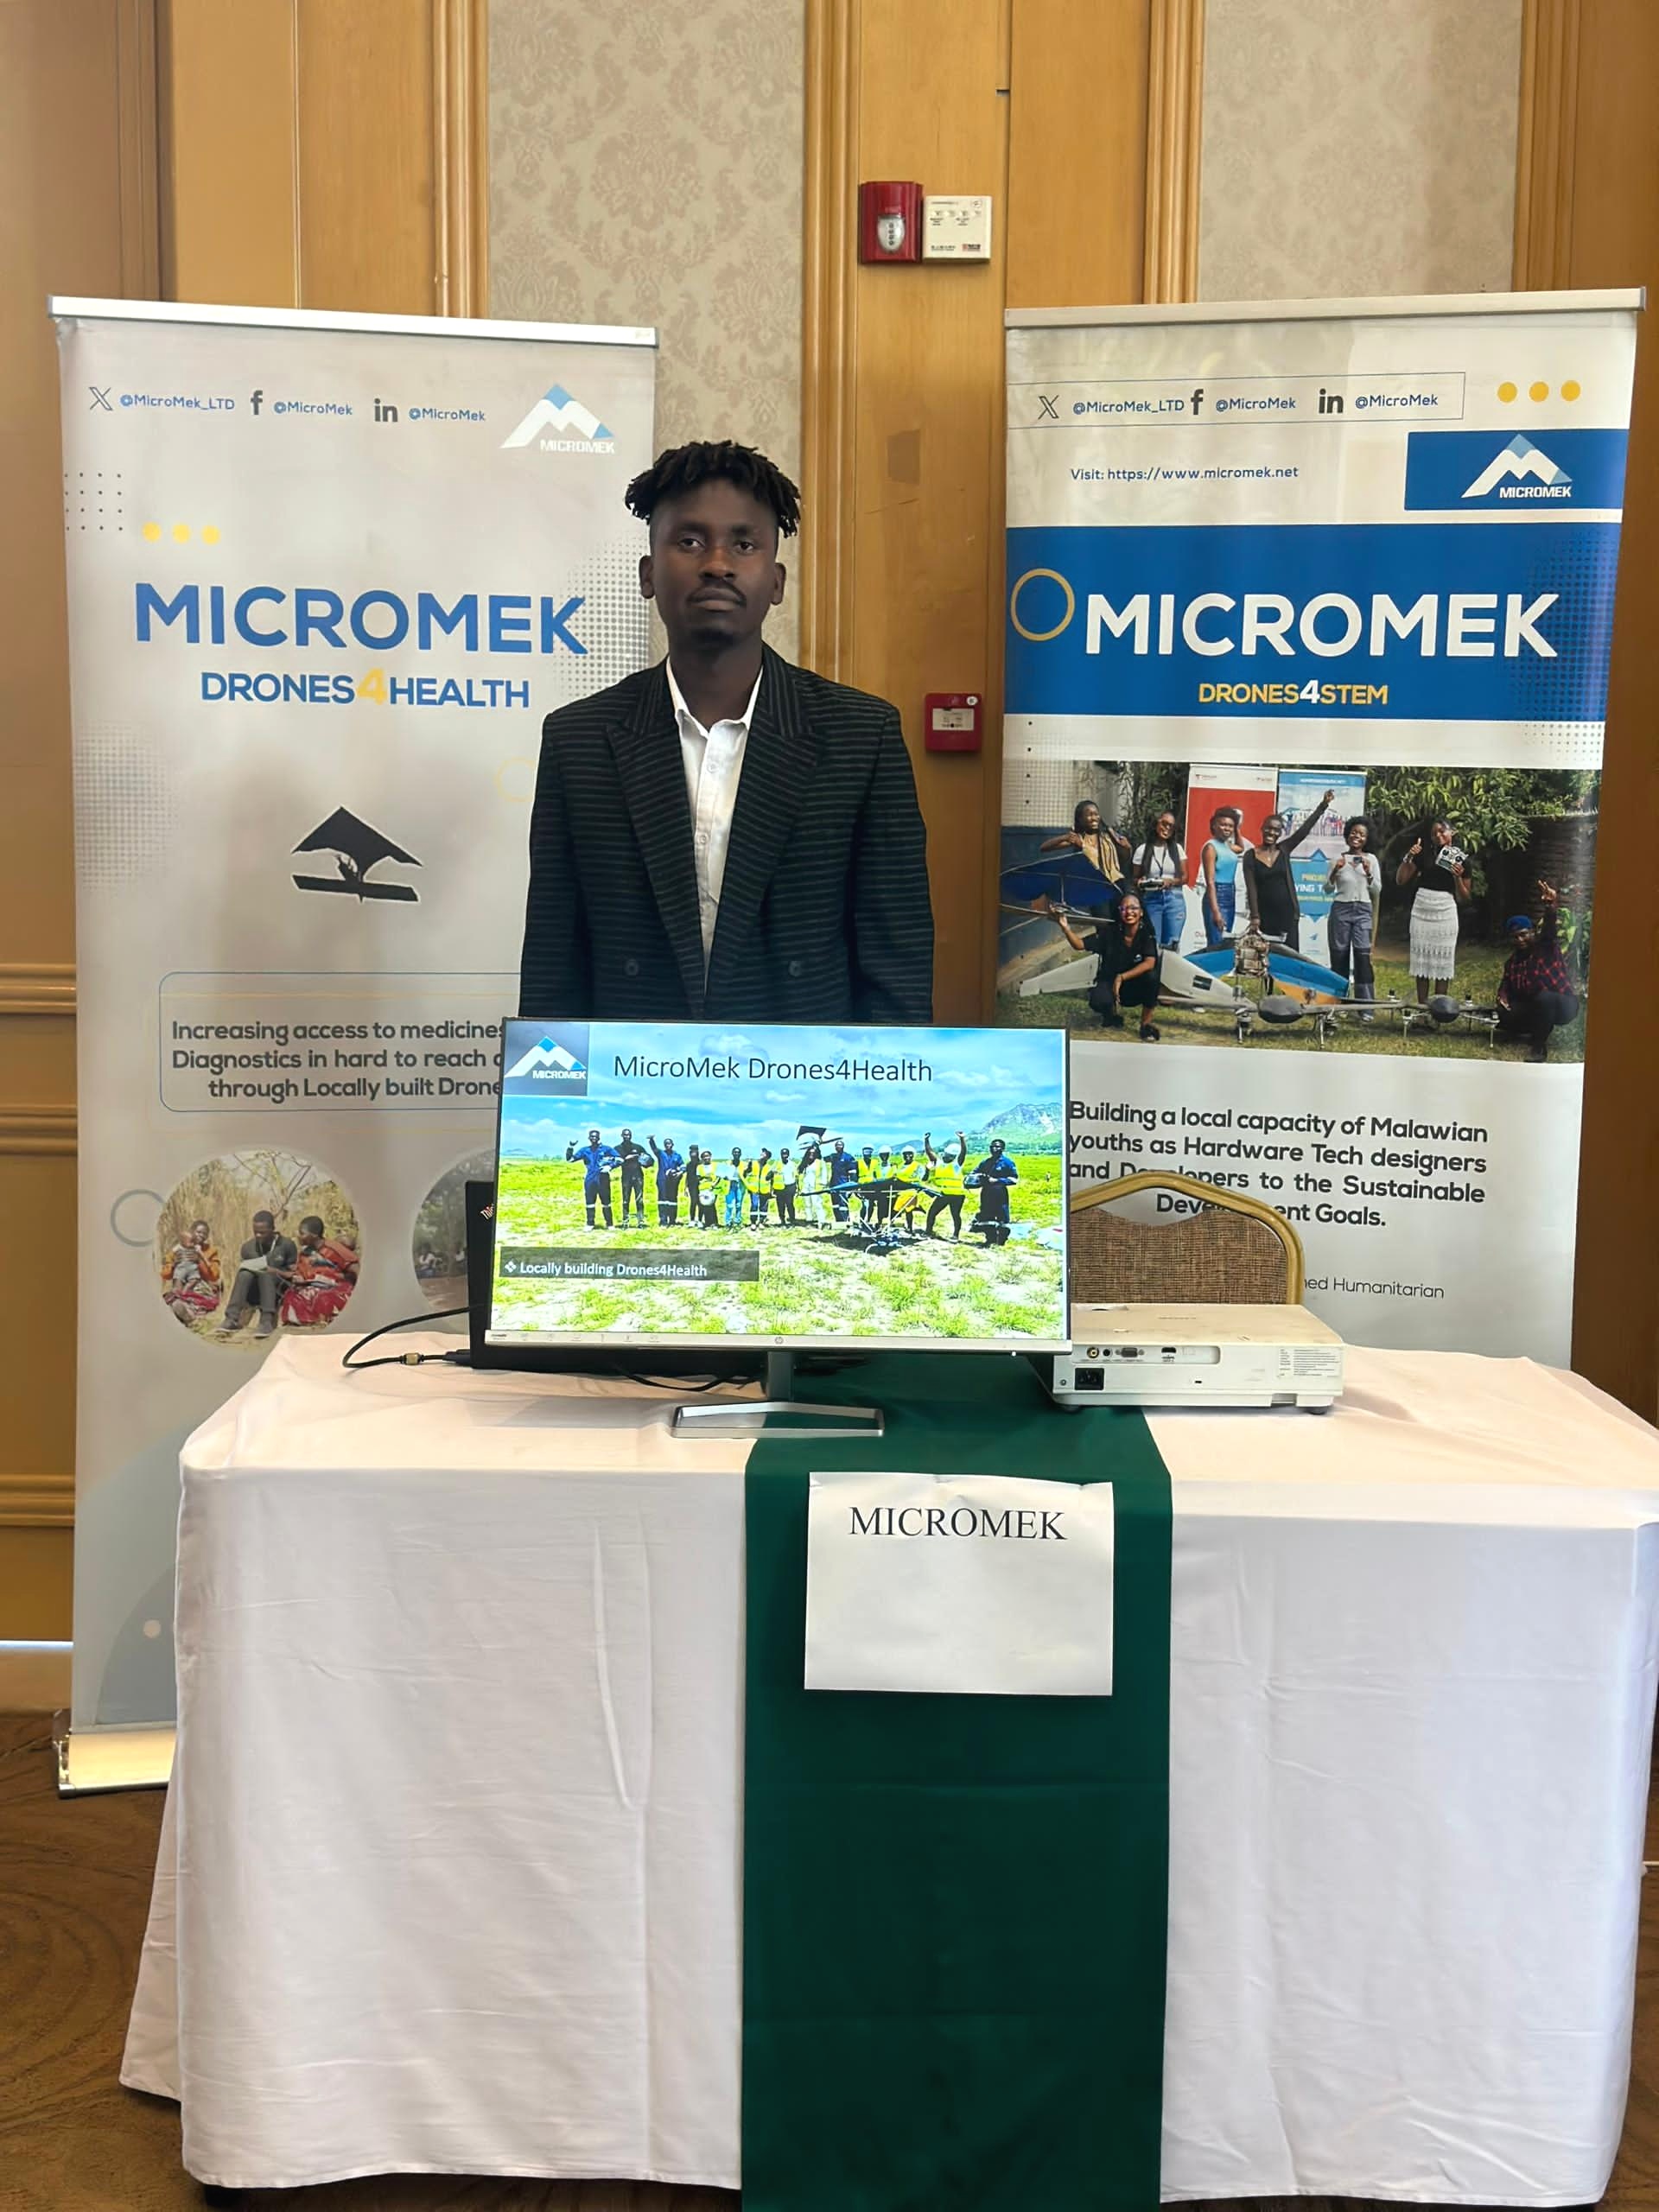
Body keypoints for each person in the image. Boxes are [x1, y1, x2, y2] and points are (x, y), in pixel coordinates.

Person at [520, 441, 933, 1023]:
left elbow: (897, 971)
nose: (717, 563)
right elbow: (553, 968)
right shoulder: (579, 740)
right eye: (690, 541)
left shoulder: (860, 737)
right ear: (647, 574)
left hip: (801, 1072)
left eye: (744, 544)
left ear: (777, 582)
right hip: (635, 1072)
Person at [1036, 888, 1161, 1040]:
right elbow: (1079, 945)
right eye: (1124, 908)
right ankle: (1111, 1015)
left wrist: (1122, 977)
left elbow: (1150, 963)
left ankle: (1146, 1025)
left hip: (1134, 987)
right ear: (1119, 911)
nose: (1129, 912)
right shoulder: (1110, 933)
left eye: (1133, 908)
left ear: (1141, 912)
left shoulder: (1147, 934)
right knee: (1098, 999)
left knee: (1152, 977)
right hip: (1111, 984)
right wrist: (1065, 927)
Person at [1242, 789, 1333, 955]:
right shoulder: (1250, 856)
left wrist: (1323, 806)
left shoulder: (1284, 849)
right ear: (1262, 829)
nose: (1272, 832)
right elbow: (1251, 888)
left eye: (1276, 830)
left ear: (1280, 833)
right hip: (1264, 914)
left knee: (1290, 955)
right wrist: (1255, 916)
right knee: (1266, 955)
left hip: (1288, 913)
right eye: (1269, 828)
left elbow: (1304, 830)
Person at [1497, 881, 1580, 1061]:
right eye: (1515, 937)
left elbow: (1549, 930)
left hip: (1563, 1004)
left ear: (1533, 932)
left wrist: (1550, 906)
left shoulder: (1545, 949)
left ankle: (1539, 1047)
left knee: (1544, 998)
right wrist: (1503, 999)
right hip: (1536, 1005)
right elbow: (1505, 986)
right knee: (1507, 1014)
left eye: (1524, 934)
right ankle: (1530, 1029)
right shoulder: (1512, 963)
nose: (1520, 940)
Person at [1395, 818, 1471, 1005]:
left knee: (1442, 962)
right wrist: (1408, 857)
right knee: (1422, 962)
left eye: (1442, 831)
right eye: (1434, 833)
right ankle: (1422, 1007)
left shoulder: (1462, 860)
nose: (1438, 835)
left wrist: (1457, 878)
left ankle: (1439, 1008)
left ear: (1452, 832)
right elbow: (1401, 880)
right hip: (1422, 907)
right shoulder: (1423, 854)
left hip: (1445, 909)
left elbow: (1465, 898)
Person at [1325, 817, 1382, 1016]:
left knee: (1362, 958)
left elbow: (1377, 890)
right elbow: (1327, 889)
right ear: (1348, 834)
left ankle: (1365, 1008)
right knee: (1339, 956)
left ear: (1367, 839)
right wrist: (1336, 870)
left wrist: (1368, 872)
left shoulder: (1371, 860)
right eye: (1354, 832)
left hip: (1363, 911)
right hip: (1341, 909)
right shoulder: (1337, 859)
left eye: (1362, 834)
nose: (1357, 836)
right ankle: (1339, 1005)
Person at [217, 1211, 298, 1338]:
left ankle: (266, 1320)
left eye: (263, 1232)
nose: (258, 1235)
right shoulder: (248, 1248)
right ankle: (231, 1318)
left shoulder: (286, 1245)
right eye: (256, 1232)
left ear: (272, 1229)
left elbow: (292, 1274)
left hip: (278, 1289)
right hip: (255, 1292)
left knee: (265, 1272)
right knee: (244, 1274)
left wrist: (275, 1271)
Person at [280, 1218, 359, 1328]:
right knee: (292, 1296)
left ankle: (325, 1320)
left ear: (314, 1235)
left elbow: (356, 1269)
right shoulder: (305, 1252)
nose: (299, 1236)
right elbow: (302, 1271)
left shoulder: (334, 1249)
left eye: (302, 1233)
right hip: (313, 1286)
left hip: (337, 1286)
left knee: (324, 1298)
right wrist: (299, 1278)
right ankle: (307, 1321)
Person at [1039, 800, 1131, 891]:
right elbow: (1044, 848)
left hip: (1116, 883)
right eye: (1089, 815)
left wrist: (1127, 848)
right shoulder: (1079, 838)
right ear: (1080, 819)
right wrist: (1064, 837)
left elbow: (1124, 858)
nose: (1094, 818)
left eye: (1096, 814)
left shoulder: (1109, 834)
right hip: (1094, 884)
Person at [1132, 810, 1187, 948]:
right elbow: (1134, 878)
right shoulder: (1142, 850)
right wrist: (1140, 882)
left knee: (1172, 944)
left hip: (1173, 898)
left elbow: (1185, 877)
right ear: (1156, 824)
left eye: (1171, 826)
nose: (1167, 828)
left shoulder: (1177, 849)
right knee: (1153, 943)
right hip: (1152, 898)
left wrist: (1171, 882)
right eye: (1164, 824)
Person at [1198, 807, 1249, 949]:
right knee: (1216, 942)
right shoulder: (1211, 847)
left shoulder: (1228, 846)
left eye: (1230, 826)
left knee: (1226, 941)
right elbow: (1210, 882)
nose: (1227, 828)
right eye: (1223, 825)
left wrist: (1237, 828)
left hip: (1230, 895)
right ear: (1214, 825)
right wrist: (1215, 911)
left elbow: (1241, 848)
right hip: (1217, 895)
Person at [162, 1219, 220, 1325]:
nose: (201, 1235)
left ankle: (189, 1314)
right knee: (174, 1294)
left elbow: (214, 1276)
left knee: (196, 1294)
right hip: (181, 1285)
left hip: (200, 1286)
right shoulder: (178, 1250)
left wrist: (200, 1261)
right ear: (191, 1231)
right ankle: (181, 1309)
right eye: (199, 1232)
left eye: (205, 1234)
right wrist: (174, 1264)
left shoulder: (210, 1251)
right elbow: (165, 1275)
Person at [966, 1138, 1019, 1247]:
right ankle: (990, 1239)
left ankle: (1002, 1241)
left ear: (1003, 1149)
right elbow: (974, 1173)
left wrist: (997, 1181)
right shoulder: (985, 1162)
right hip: (986, 1193)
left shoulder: (1007, 1163)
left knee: (1003, 1218)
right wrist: (975, 1179)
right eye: (992, 1147)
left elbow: (1014, 1179)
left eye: (997, 1147)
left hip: (1000, 1194)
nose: (994, 1149)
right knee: (987, 1217)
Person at [566, 1128, 619, 1227]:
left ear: (599, 1138)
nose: (594, 1138)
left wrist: (610, 1166)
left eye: (596, 1137)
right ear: (589, 1138)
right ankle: (590, 1224)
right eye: (592, 1137)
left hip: (603, 1179)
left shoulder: (606, 1149)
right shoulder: (585, 1150)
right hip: (590, 1179)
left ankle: (609, 1224)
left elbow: (620, 1159)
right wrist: (571, 1147)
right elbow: (570, 1159)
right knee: (590, 1203)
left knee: (606, 1203)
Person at [924, 1131, 969, 1239]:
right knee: (932, 1212)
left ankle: (955, 1236)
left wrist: (962, 1139)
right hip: (944, 1194)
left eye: (949, 1156)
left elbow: (963, 1152)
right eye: (946, 1154)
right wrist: (926, 1140)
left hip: (957, 1195)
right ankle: (928, 1232)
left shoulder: (957, 1164)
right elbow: (930, 1153)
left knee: (955, 1215)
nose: (946, 1157)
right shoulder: (939, 1163)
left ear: (953, 1157)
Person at [615, 1128, 649, 1227]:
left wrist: (645, 1160)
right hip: (626, 1177)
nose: (627, 1137)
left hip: (638, 1176)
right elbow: (614, 1160)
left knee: (639, 1200)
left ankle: (640, 1221)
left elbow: (648, 1161)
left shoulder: (638, 1147)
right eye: (625, 1135)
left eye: (629, 1135)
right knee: (626, 1200)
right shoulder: (618, 1148)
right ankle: (625, 1222)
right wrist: (626, 1158)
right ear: (622, 1136)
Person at [649, 1134, 685, 1226]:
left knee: (673, 1200)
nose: (667, 1145)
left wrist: (679, 1173)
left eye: (669, 1143)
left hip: (673, 1182)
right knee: (662, 1200)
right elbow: (654, 1149)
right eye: (666, 1144)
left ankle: (672, 1220)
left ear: (672, 1144)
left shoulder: (677, 1156)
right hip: (662, 1180)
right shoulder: (661, 1154)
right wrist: (651, 1140)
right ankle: (663, 1221)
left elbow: (683, 1166)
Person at [890, 1146, 925, 1234]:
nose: (908, 1156)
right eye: (905, 1154)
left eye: (910, 1154)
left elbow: (923, 1178)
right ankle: (901, 1226)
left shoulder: (918, 1166)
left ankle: (908, 1227)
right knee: (905, 1210)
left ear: (914, 1155)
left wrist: (928, 1170)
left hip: (911, 1190)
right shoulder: (900, 1166)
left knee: (903, 1210)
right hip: (900, 1190)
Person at [828, 1136, 859, 1224]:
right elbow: (820, 1158)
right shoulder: (833, 1157)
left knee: (843, 1205)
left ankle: (845, 1222)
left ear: (843, 1146)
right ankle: (838, 1222)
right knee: (835, 1205)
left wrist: (851, 1188)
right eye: (837, 1145)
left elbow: (853, 1175)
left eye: (840, 1145)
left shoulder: (848, 1158)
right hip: (833, 1185)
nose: (838, 1147)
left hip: (844, 1185)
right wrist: (816, 1146)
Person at [745, 1147, 774, 1226]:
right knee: (754, 1205)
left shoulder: (769, 1168)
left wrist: (771, 1191)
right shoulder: (753, 1163)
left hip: (765, 1190)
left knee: (763, 1207)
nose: (762, 1154)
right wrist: (748, 1166)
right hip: (754, 1189)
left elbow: (772, 1180)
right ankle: (753, 1222)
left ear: (768, 1157)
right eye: (762, 1153)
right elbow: (747, 1173)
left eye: (764, 1153)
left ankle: (761, 1222)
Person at [771, 1146, 799, 1226]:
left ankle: (792, 1220)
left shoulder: (792, 1164)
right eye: (783, 1154)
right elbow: (772, 1175)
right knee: (780, 1205)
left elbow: (796, 1176)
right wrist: (772, 1189)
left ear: (788, 1155)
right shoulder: (777, 1164)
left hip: (790, 1186)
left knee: (790, 1204)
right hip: (779, 1187)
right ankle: (782, 1221)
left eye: (786, 1154)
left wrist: (797, 1187)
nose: (784, 1156)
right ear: (781, 1155)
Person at [722, 1147, 747, 1229]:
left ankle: (737, 1221)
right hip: (729, 1185)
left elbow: (746, 1175)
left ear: (740, 1154)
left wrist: (748, 1169)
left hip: (740, 1185)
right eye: (735, 1152)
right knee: (729, 1205)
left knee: (739, 1204)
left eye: (738, 1152)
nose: (736, 1154)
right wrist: (725, 1177)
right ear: (732, 1153)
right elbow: (722, 1174)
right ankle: (728, 1222)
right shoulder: (727, 1163)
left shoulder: (743, 1164)